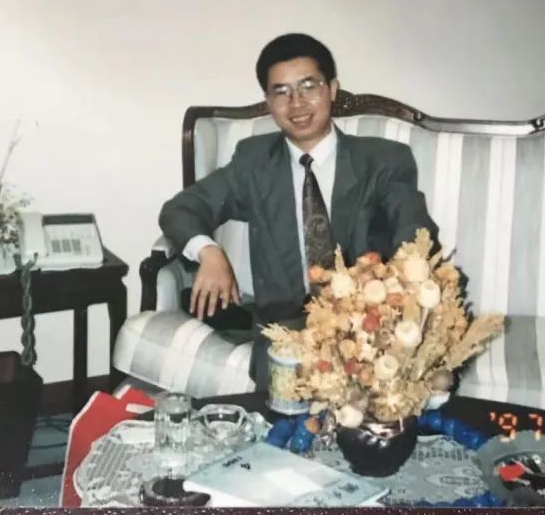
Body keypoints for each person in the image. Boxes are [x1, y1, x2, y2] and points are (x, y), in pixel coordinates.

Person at [158, 33, 436, 387]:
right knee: (278, 370)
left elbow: (413, 233)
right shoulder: (254, 162)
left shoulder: (382, 160)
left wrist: (393, 303)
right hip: (285, 325)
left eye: (308, 86)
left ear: (332, 89)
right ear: (268, 102)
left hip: (366, 321)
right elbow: (181, 208)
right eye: (282, 92)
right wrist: (209, 252)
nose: (297, 103)